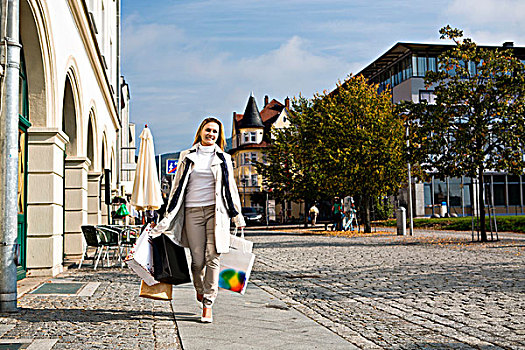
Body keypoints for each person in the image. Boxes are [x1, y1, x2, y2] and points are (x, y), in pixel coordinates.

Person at [152, 117, 245, 323]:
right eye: (208, 130)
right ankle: (200, 289)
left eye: (215, 132)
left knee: (214, 256)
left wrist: (236, 214)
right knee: (197, 261)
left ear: (218, 136)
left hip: (216, 212)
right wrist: (167, 215)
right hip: (192, 212)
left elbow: (230, 188)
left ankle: (208, 303)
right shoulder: (186, 156)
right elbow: (177, 187)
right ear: (201, 131)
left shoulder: (224, 158)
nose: (211, 134)